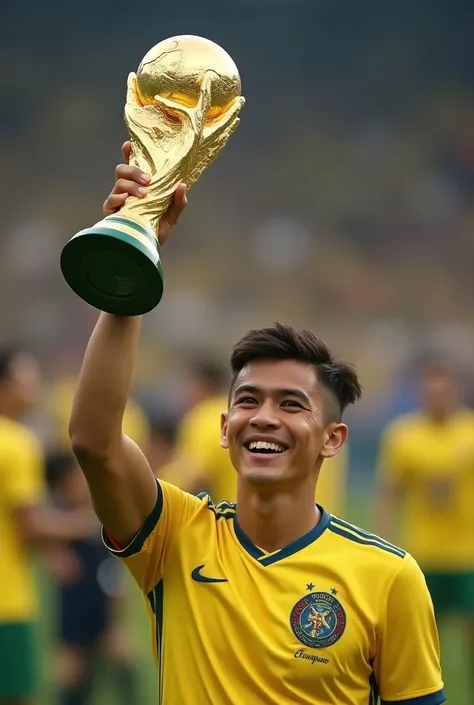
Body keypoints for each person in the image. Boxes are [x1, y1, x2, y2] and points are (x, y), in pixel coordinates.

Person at [68, 142, 445, 705]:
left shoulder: (389, 577)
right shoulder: (175, 537)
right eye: (248, 400)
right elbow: (94, 443)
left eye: (292, 404)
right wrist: (131, 250)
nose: (264, 417)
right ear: (224, 426)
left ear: (333, 439)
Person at [0, 348, 94, 705]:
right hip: (7, 602)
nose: (34, 385)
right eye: (26, 378)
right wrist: (85, 526)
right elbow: (30, 525)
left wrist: (52, 552)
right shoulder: (16, 443)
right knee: (17, 697)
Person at [375, 358, 474, 688]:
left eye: (443, 388)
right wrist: (382, 540)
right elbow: (389, 492)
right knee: (422, 641)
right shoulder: (403, 435)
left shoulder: (470, 431)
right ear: (420, 391)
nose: (437, 394)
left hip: (468, 555)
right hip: (421, 555)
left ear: (455, 391)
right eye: (429, 388)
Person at [161, 356, 349, 514]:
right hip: (320, 536)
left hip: (250, 537)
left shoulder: (208, 416)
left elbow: (182, 481)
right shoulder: (323, 428)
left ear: (202, 386)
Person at [45, 452, 140, 705]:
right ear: (64, 483)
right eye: (78, 478)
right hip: (74, 612)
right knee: (73, 678)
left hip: (104, 608)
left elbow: (113, 571)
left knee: (124, 662)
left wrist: (117, 620)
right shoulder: (57, 520)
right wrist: (52, 553)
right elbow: (40, 537)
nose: (85, 483)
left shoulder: (100, 513)